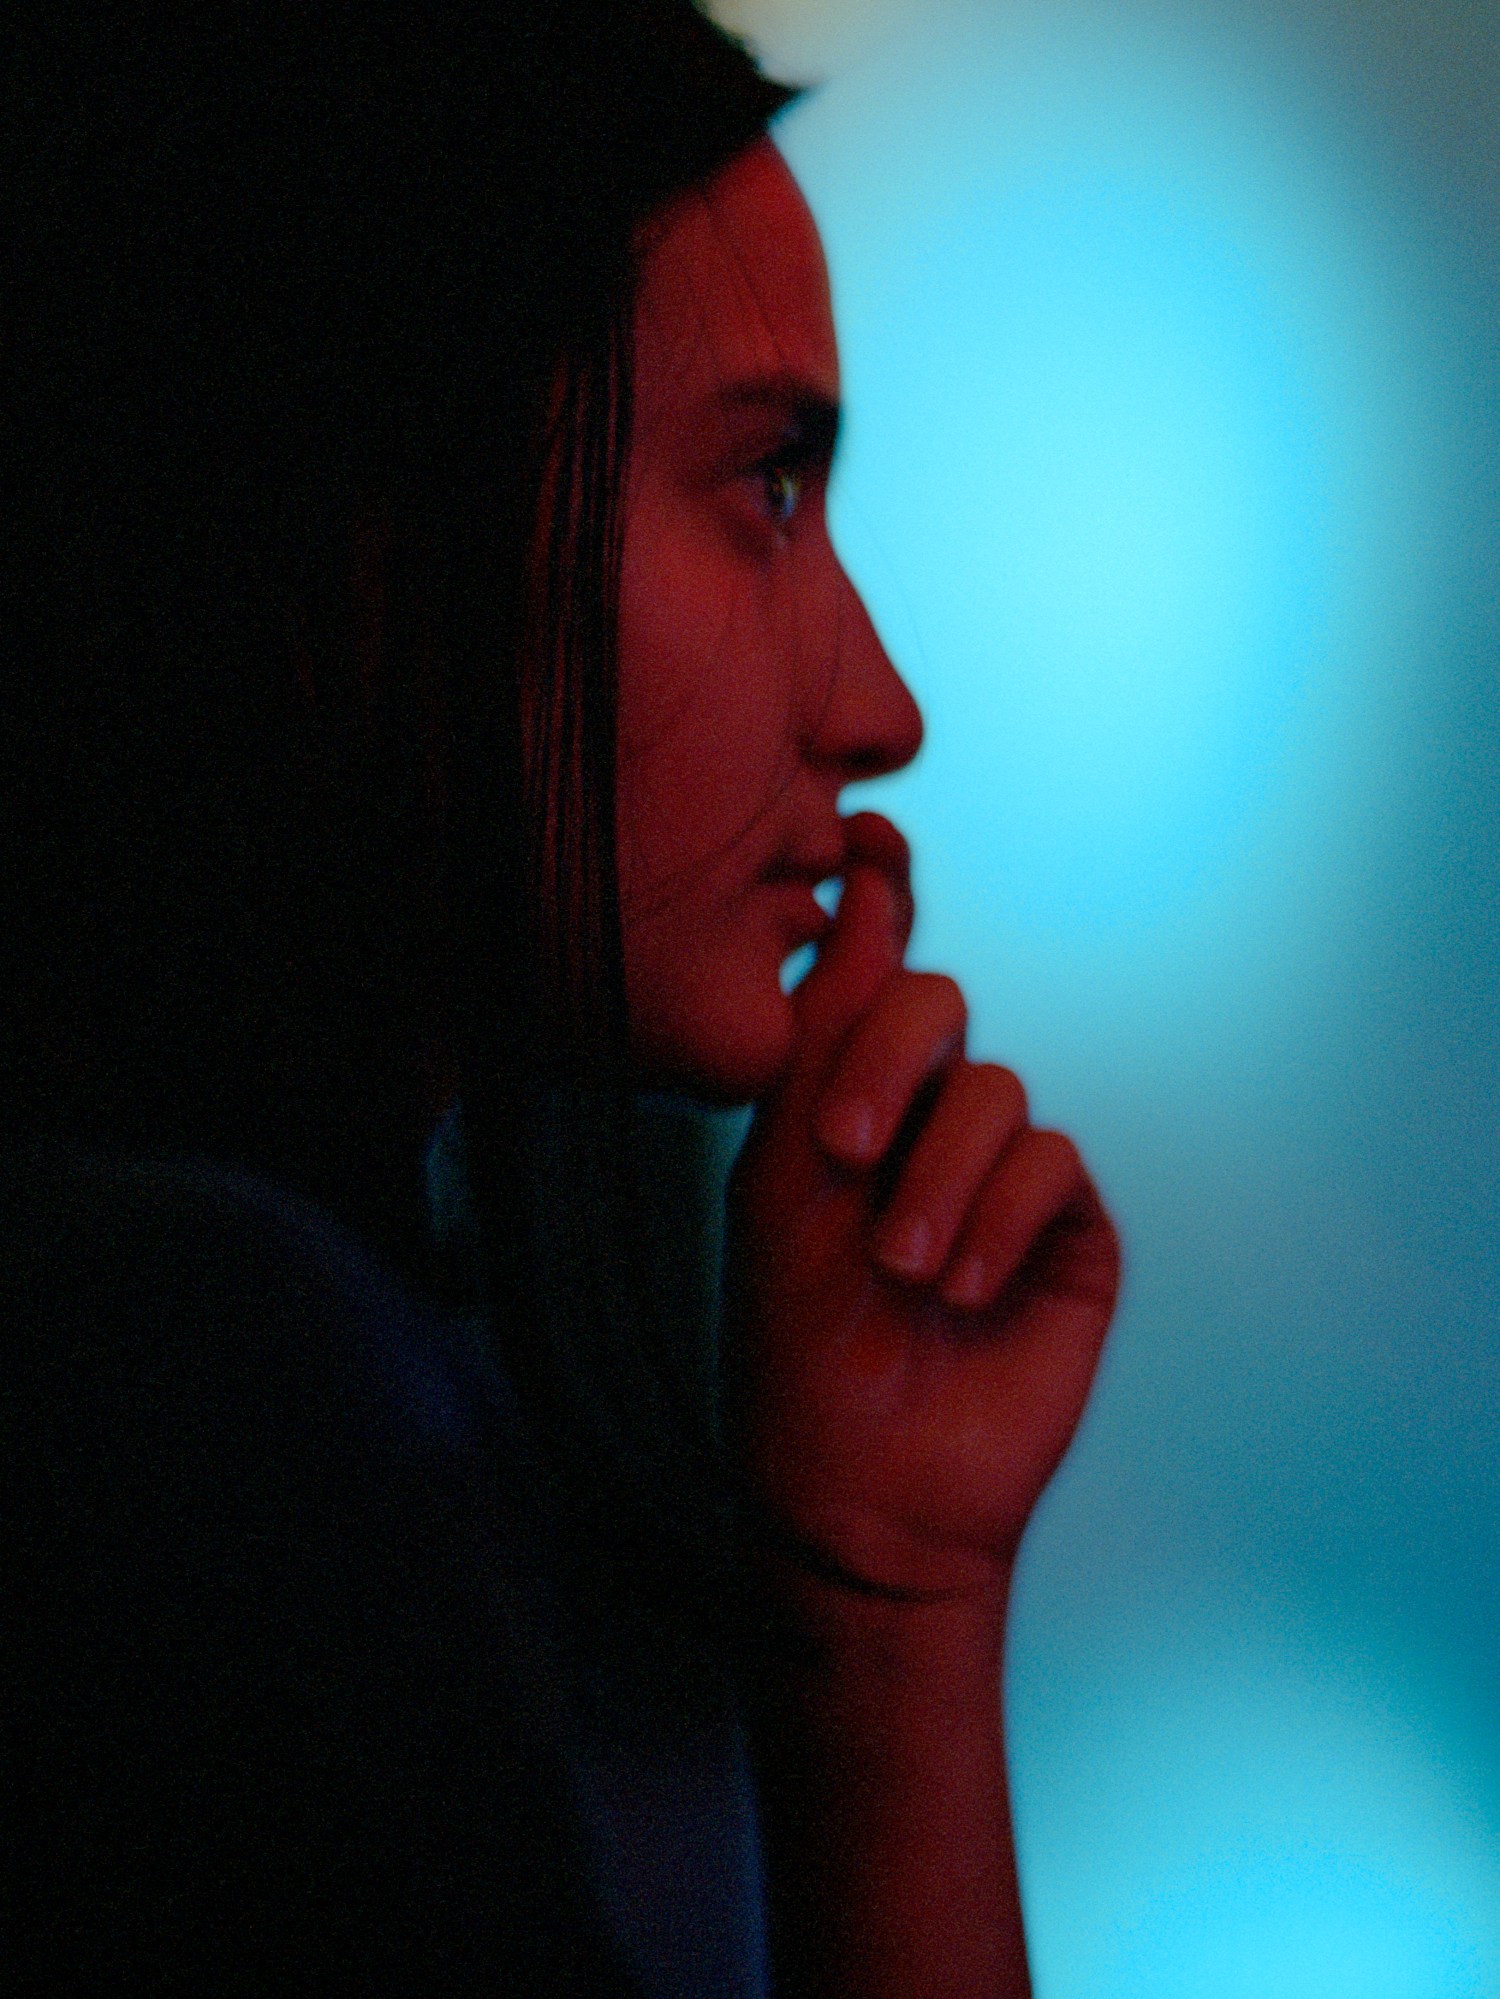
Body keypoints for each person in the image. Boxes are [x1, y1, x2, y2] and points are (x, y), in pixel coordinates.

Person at [2, 5, 1122, 1995]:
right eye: (765, 487)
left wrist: (892, 1600)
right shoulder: (202, 1392)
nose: (881, 707)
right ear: (365, 495)